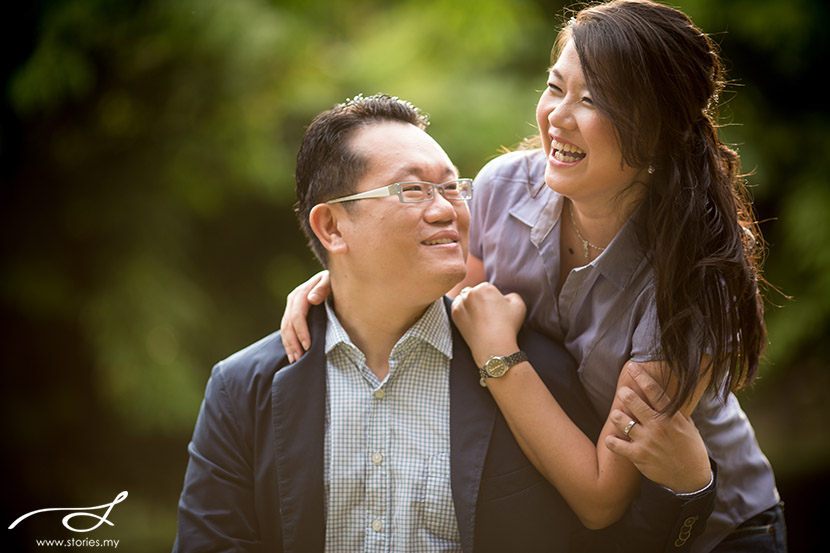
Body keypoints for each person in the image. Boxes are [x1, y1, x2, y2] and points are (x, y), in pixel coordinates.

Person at [279, 2, 786, 552]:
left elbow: (600, 496)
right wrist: (349, 287)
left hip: (713, 532)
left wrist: (500, 357)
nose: (557, 117)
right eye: (555, 87)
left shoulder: (689, 278)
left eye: (593, 100)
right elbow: (447, 302)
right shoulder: (502, 188)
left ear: (657, 131)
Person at [174, 93, 718, 553]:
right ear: (332, 227)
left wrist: (690, 491)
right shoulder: (243, 389)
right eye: (412, 189)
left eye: (453, 187)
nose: (446, 210)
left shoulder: (532, 369)